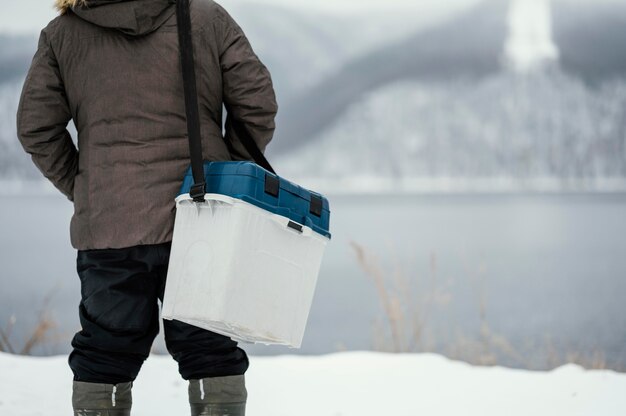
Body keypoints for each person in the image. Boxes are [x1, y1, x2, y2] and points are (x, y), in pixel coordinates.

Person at [16, 0, 278, 414]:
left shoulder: (61, 34)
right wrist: (227, 176)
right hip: (202, 216)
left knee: (104, 355)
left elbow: (35, 128)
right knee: (210, 348)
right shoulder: (205, 16)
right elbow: (257, 102)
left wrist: (88, 188)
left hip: (109, 225)